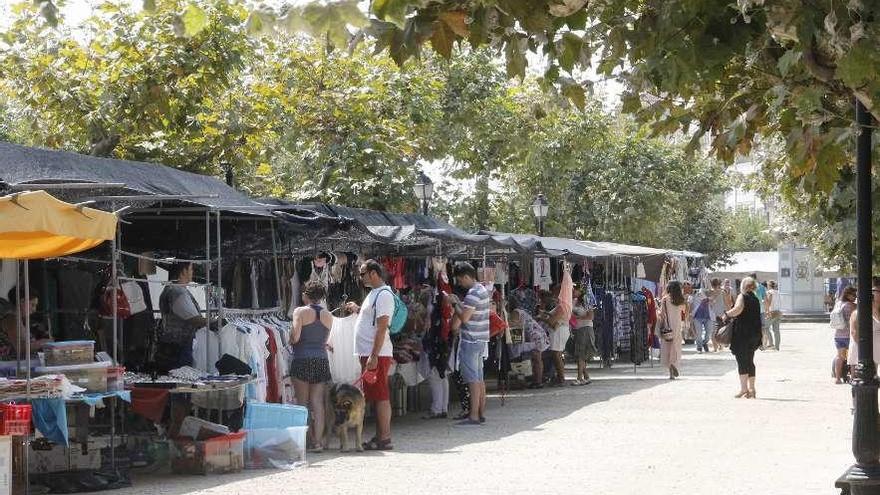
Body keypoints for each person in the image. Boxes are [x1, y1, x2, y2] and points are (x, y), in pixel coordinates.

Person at [345, 259, 395, 450]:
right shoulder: (374, 294)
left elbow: (382, 327)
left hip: (377, 353)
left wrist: (374, 355)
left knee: (381, 395)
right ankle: (380, 436)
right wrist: (358, 310)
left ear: (374, 273)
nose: (360, 277)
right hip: (370, 352)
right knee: (376, 394)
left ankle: (384, 438)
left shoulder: (383, 295)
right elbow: (373, 321)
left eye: (363, 273)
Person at [289, 280, 333, 452]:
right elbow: (325, 340)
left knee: (302, 404)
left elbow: (295, 338)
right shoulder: (328, 315)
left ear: (305, 294)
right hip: (321, 360)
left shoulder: (299, 311)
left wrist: (291, 334)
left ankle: (307, 440)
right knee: (317, 403)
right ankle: (318, 443)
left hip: (302, 359)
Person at [446, 262, 491, 426]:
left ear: (466, 277)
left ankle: (473, 415)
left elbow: (464, 318)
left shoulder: (473, 293)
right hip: (480, 339)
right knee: (478, 378)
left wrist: (453, 304)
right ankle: (480, 413)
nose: (459, 283)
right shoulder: (482, 290)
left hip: (471, 340)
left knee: (472, 380)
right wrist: (459, 302)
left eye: (459, 280)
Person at [158, 262, 208, 368]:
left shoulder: (169, 289)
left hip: (171, 346)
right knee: (181, 381)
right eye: (190, 269)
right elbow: (193, 319)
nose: (192, 272)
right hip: (178, 348)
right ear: (184, 271)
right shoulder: (177, 291)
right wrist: (214, 322)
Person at [723, 277, 763, 399]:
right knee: (750, 360)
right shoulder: (756, 299)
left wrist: (726, 314)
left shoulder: (743, 296)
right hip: (754, 334)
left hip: (742, 334)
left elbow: (738, 309)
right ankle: (752, 388)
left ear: (744, 286)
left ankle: (744, 389)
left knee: (742, 360)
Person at [0, 287, 51, 360]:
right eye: (32, 305)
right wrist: (44, 342)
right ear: (22, 301)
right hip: (11, 365)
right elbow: (21, 348)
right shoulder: (12, 319)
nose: (34, 309)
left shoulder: (17, 318)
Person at [846, 279, 880, 372]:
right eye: (875, 292)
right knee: (858, 375)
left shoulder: (876, 310)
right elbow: (854, 332)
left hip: (875, 350)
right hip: (861, 349)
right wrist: (865, 349)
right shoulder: (858, 313)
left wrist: (875, 309)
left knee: (873, 374)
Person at [658, 281, 686, 380]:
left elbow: (662, 314)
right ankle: (674, 363)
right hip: (677, 326)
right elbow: (683, 311)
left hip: (667, 327)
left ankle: (670, 372)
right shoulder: (681, 299)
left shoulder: (665, 299)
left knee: (667, 348)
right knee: (676, 347)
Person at [570, 286, 595, 386]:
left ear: (580, 291)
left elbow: (590, 316)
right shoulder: (574, 301)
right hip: (577, 329)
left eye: (574, 290)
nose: (573, 292)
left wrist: (576, 317)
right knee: (580, 354)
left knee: (581, 354)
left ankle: (579, 378)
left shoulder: (587, 300)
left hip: (585, 329)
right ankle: (586, 376)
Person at [832, 286, 857, 384]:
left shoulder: (838, 303)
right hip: (848, 335)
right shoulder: (851, 306)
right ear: (847, 295)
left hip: (838, 335)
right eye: (853, 295)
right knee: (852, 356)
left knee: (840, 357)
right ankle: (853, 377)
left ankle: (837, 378)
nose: (855, 297)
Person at [708, 278, 730, 352]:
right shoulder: (722, 292)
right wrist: (728, 313)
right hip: (721, 315)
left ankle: (716, 347)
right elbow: (727, 303)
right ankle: (718, 346)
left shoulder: (710, 292)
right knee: (720, 331)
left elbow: (709, 304)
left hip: (713, 314)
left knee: (713, 331)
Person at [690, 287, 712, 353]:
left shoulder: (709, 298)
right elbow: (690, 306)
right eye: (699, 293)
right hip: (697, 317)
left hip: (708, 317)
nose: (700, 295)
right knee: (698, 333)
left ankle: (705, 343)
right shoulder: (694, 297)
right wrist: (690, 316)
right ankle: (699, 347)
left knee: (709, 332)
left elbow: (713, 301)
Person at [751, 273, 770, 350]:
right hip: (761, 310)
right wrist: (767, 310)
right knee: (763, 328)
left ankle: (754, 344)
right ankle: (763, 345)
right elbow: (765, 300)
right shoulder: (761, 287)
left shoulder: (749, 287)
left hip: (752, 311)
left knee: (753, 328)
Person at [766, 280, 782, 350]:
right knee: (776, 330)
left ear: (769, 285)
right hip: (778, 312)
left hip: (772, 312)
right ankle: (777, 347)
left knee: (765, 328)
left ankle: (771, 343)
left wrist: (767, 310)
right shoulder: (778, 292)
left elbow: (768, 303)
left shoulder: (769, 292)